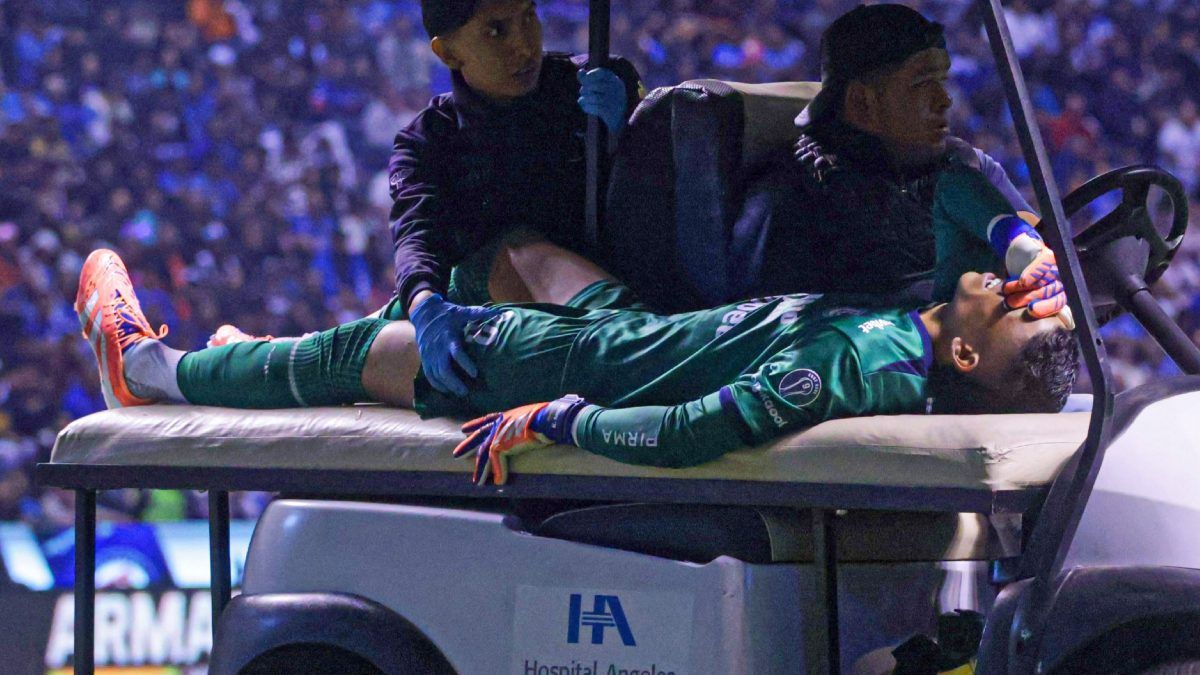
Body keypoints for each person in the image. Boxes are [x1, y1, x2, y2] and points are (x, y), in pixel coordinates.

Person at [75, 228, 1077, 486]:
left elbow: (696, 430)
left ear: (963, 351)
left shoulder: (853, 362)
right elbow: (981, 216)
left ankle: (154, 371)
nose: (1015, 291)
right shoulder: (913, 335)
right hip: (637, 333)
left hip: (569, 369)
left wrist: (560, 419)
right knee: (512, 252)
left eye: (1017, 312)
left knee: (355, 354)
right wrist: (1028, 252)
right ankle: (262, 360)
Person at [665, 4, 1070, 327]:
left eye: (942, 81)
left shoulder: (966, 164)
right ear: (862, 103)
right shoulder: (792, 196)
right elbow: (778, 332)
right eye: (921, 83)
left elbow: (1039, 244)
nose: (944, 100)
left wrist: (1041, 267)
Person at [388, 0, 643, 398]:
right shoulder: (427, 141)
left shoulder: (595, 83)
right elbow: (416, 233)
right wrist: (425, 306)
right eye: (496, 31)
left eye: (529, 17)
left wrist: (631, 129)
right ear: (448, 52)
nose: (524, 46)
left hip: (610, 298)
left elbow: (659, 200)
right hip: (490, 316)